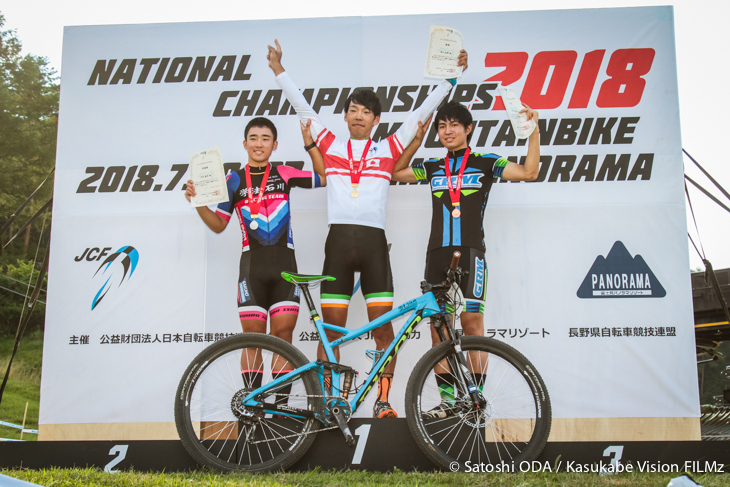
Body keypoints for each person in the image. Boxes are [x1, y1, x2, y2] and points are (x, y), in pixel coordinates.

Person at [266, 39, 467, 418]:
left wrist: (451, 80)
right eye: (353, 110)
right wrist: (279, 70)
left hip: (374, 246)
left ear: (377, 120)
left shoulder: (390, 148)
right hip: (338, 245)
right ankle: (329, 404)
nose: (358, 116)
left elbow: (422, 112)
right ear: (345, 117)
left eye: (367, 112)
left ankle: (382, 401)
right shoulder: (330, 144)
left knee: (384, 332)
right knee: (332, 332)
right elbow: (302, 105)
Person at [392, 100, 540, 418]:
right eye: (442, 126)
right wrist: (415, 141)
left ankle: (474, 402)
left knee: (472, 326)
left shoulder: (486, 162)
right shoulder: (432, 166)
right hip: (437, 256)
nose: (448, 131)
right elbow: (395, 172)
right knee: (439, 330)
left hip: (472, 256)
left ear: (468, 128)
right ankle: (448, 402)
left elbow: (529, 172)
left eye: (454, 125)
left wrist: (533, 133)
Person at [185, 116, 324, 393]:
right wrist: (198, 203)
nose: (259, 143)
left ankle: (282, 412)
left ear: (274, 145)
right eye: (254, 138)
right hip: (252, 268)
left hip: (286, 266)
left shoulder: (284, 173)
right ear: (245, 143)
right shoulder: (233, 179)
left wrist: (309, 143)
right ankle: (253, 408)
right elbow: (218, 225)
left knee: (283, 337)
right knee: (252, 339)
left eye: (265, 138)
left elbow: (322, 177)